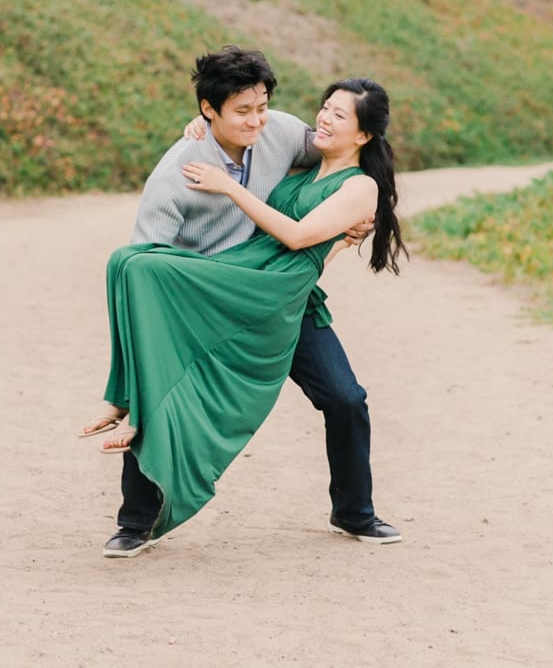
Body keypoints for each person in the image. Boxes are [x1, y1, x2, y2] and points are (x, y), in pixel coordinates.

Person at [80, 48, 406, 558]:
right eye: (325, 107)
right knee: (143, 298)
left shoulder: (285, 136)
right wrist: (206, 128)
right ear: (211, 110)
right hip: (213, 295)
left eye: (338, 114)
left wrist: (339, 233)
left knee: (345, 398)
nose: (321, 119)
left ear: (363, 133)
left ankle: (354, 510)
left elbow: (304, 234)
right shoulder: (181, 174)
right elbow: (153, 268)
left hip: (280, 296)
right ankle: (136, 518)